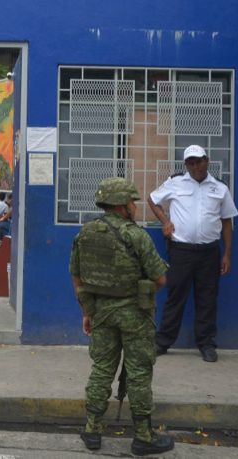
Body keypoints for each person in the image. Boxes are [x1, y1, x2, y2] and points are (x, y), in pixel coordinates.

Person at [70, 177, 173, 455]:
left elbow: (77, 276)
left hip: (101, 314)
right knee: (139, 373)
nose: (135, 206)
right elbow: (160, 279)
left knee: (102, 369)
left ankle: (92, 430)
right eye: (132, 202)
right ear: (121, 205)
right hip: (135, 316)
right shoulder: (136, 236)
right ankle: (143, 436)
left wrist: (86, 312)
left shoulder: (86, 233)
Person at [147, 144, 238, 363]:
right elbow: (152, 199)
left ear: (207, 160)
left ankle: (206, 344)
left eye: (199, 161)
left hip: (209, 253)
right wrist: (166, 222)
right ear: (186, 165)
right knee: (175, 296)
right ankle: (163, 341)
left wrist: (227, 254)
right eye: (191, 162)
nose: (196, 166)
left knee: (207, 298)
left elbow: (227, 221)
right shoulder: (176, 182)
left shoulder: (219, 188)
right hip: (181, 251)